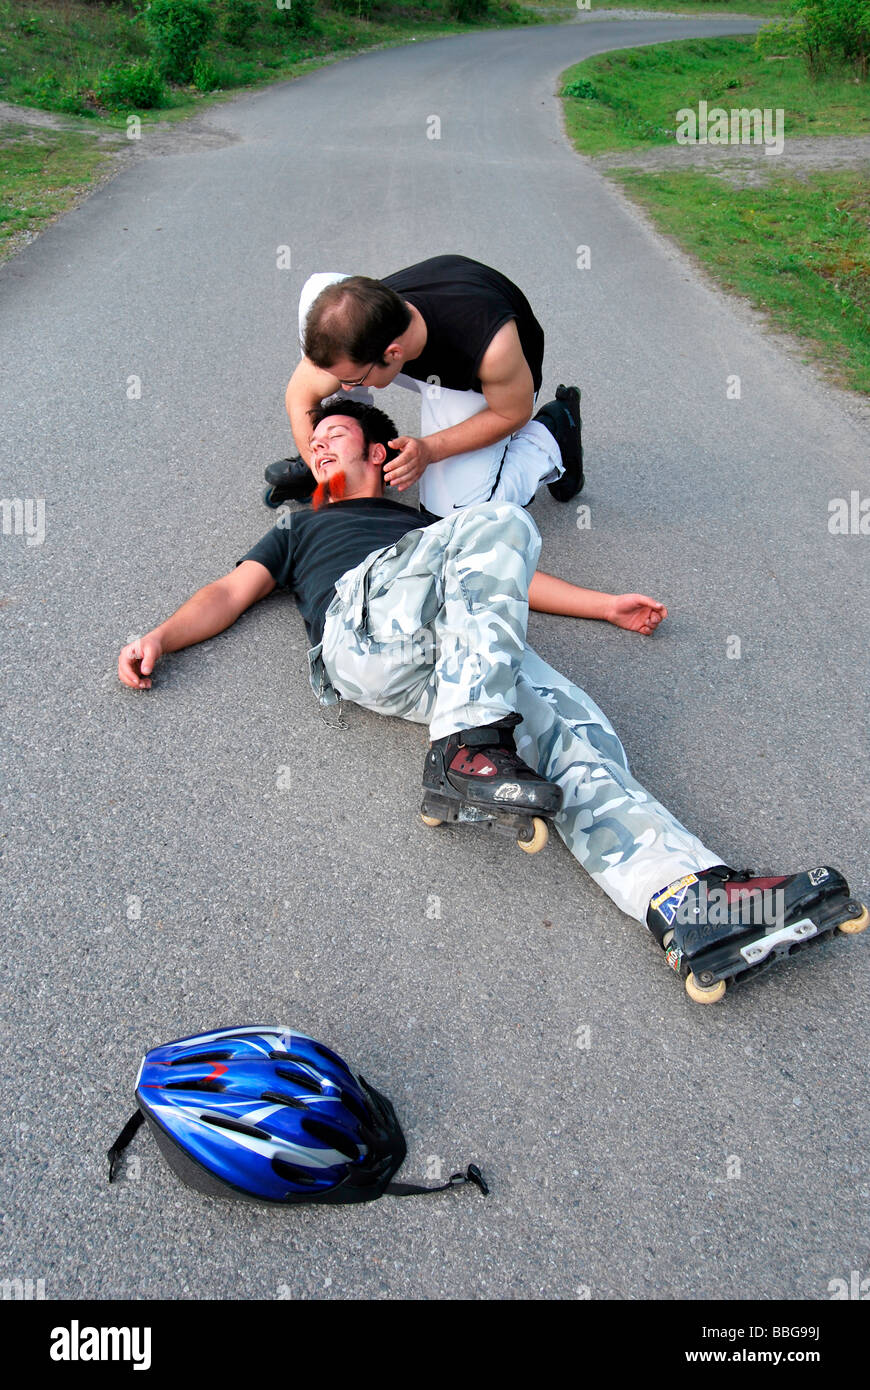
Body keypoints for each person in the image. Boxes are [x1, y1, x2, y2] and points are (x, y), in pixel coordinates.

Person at [121, 402, 867, 1002]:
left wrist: (605, 605)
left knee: (573, 727)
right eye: (311, 441)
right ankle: (463, 754)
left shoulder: (430, 527)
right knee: (500, 522)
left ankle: (686, 900)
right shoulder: (301, 525)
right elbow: (229, 592)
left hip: (446, 666)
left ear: (381, 451)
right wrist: (162, 635)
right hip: (364, 630)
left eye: (336, 434)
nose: (317, 447)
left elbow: (507, 577)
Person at [264, 254, 582, 520]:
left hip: (487, 389)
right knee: (318, 290)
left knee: (452, 519)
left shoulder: (492, 348)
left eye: (354, 380)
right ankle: (352, 457)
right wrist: (321, 464)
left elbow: (512, 414)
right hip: (413, 361)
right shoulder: (366, 317)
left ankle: (552, 435)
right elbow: (300, 395)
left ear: (392, 354)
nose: (343, 389)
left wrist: (430, 449)